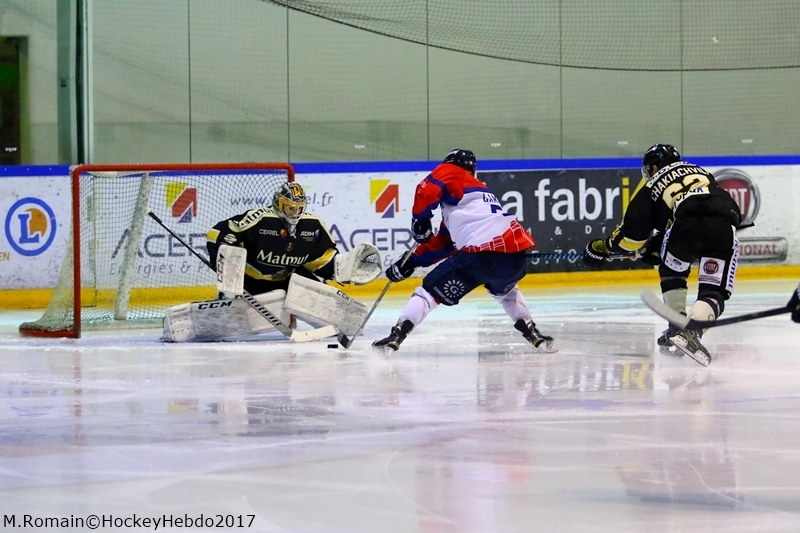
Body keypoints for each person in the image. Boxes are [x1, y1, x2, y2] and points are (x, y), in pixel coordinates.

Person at [372, 149, 556, 353]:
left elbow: (426, 190)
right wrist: (411, 262)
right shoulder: (474, 200)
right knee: (507, 293)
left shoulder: (452, 171)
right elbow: (445, 244)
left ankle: (396, 336)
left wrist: (420, 221)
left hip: (479, 257)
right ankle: (534, 335)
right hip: (514, 260)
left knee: (429, 293)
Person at [583, 144, 741, 366]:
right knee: (714, 290)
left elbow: (631, 238)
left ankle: (677, 326)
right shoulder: (700, 171)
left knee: (672, 271)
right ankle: (692, 332)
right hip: (723, 225)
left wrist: (603, 248)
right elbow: (708, 205)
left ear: (655, 167)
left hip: (684, 225)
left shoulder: (653, 183)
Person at [162, 182, 381, 342]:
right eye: (290, 207)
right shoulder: (260, 220)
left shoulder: (312, 227)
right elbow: (217, 233)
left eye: (299, 208)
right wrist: (227, 260)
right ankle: (214, 310)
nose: (295, 213)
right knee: (230, 314)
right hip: (251, 281)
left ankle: (292, 312)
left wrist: (342, 269)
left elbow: (320, 261)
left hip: (288, 280)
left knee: (348, 318)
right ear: (278, 204)